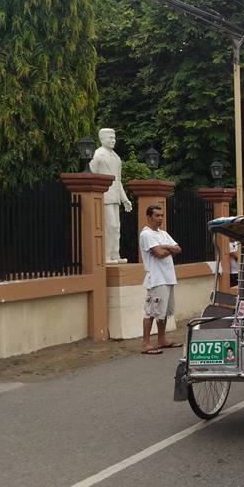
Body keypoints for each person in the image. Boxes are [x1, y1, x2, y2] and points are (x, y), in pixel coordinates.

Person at [139, 205, 182, 355]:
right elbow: (158, 253)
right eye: (157, 216)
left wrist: (165, 247)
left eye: (162, 215)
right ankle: (145, 343)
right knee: (151, 311)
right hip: (156, 278)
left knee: (163, 312)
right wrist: (167, 248)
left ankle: (161, 340)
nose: (160, 218)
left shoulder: (163, 233)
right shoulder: (146, 234)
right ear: (149, 217)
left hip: (168, 277)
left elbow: (178, 249)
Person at [90, 128, 132, 264]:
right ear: (102, 139)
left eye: (114, 138)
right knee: (110, 226)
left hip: (115, 197)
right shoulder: (97, 155)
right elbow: (92, 175)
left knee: (116, 227)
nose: (113, 140)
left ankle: (115, 254)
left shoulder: (117, 157)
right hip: (103, 195)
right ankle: (106, 256)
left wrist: (124, 199)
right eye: (110, 138)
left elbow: (118, 180)